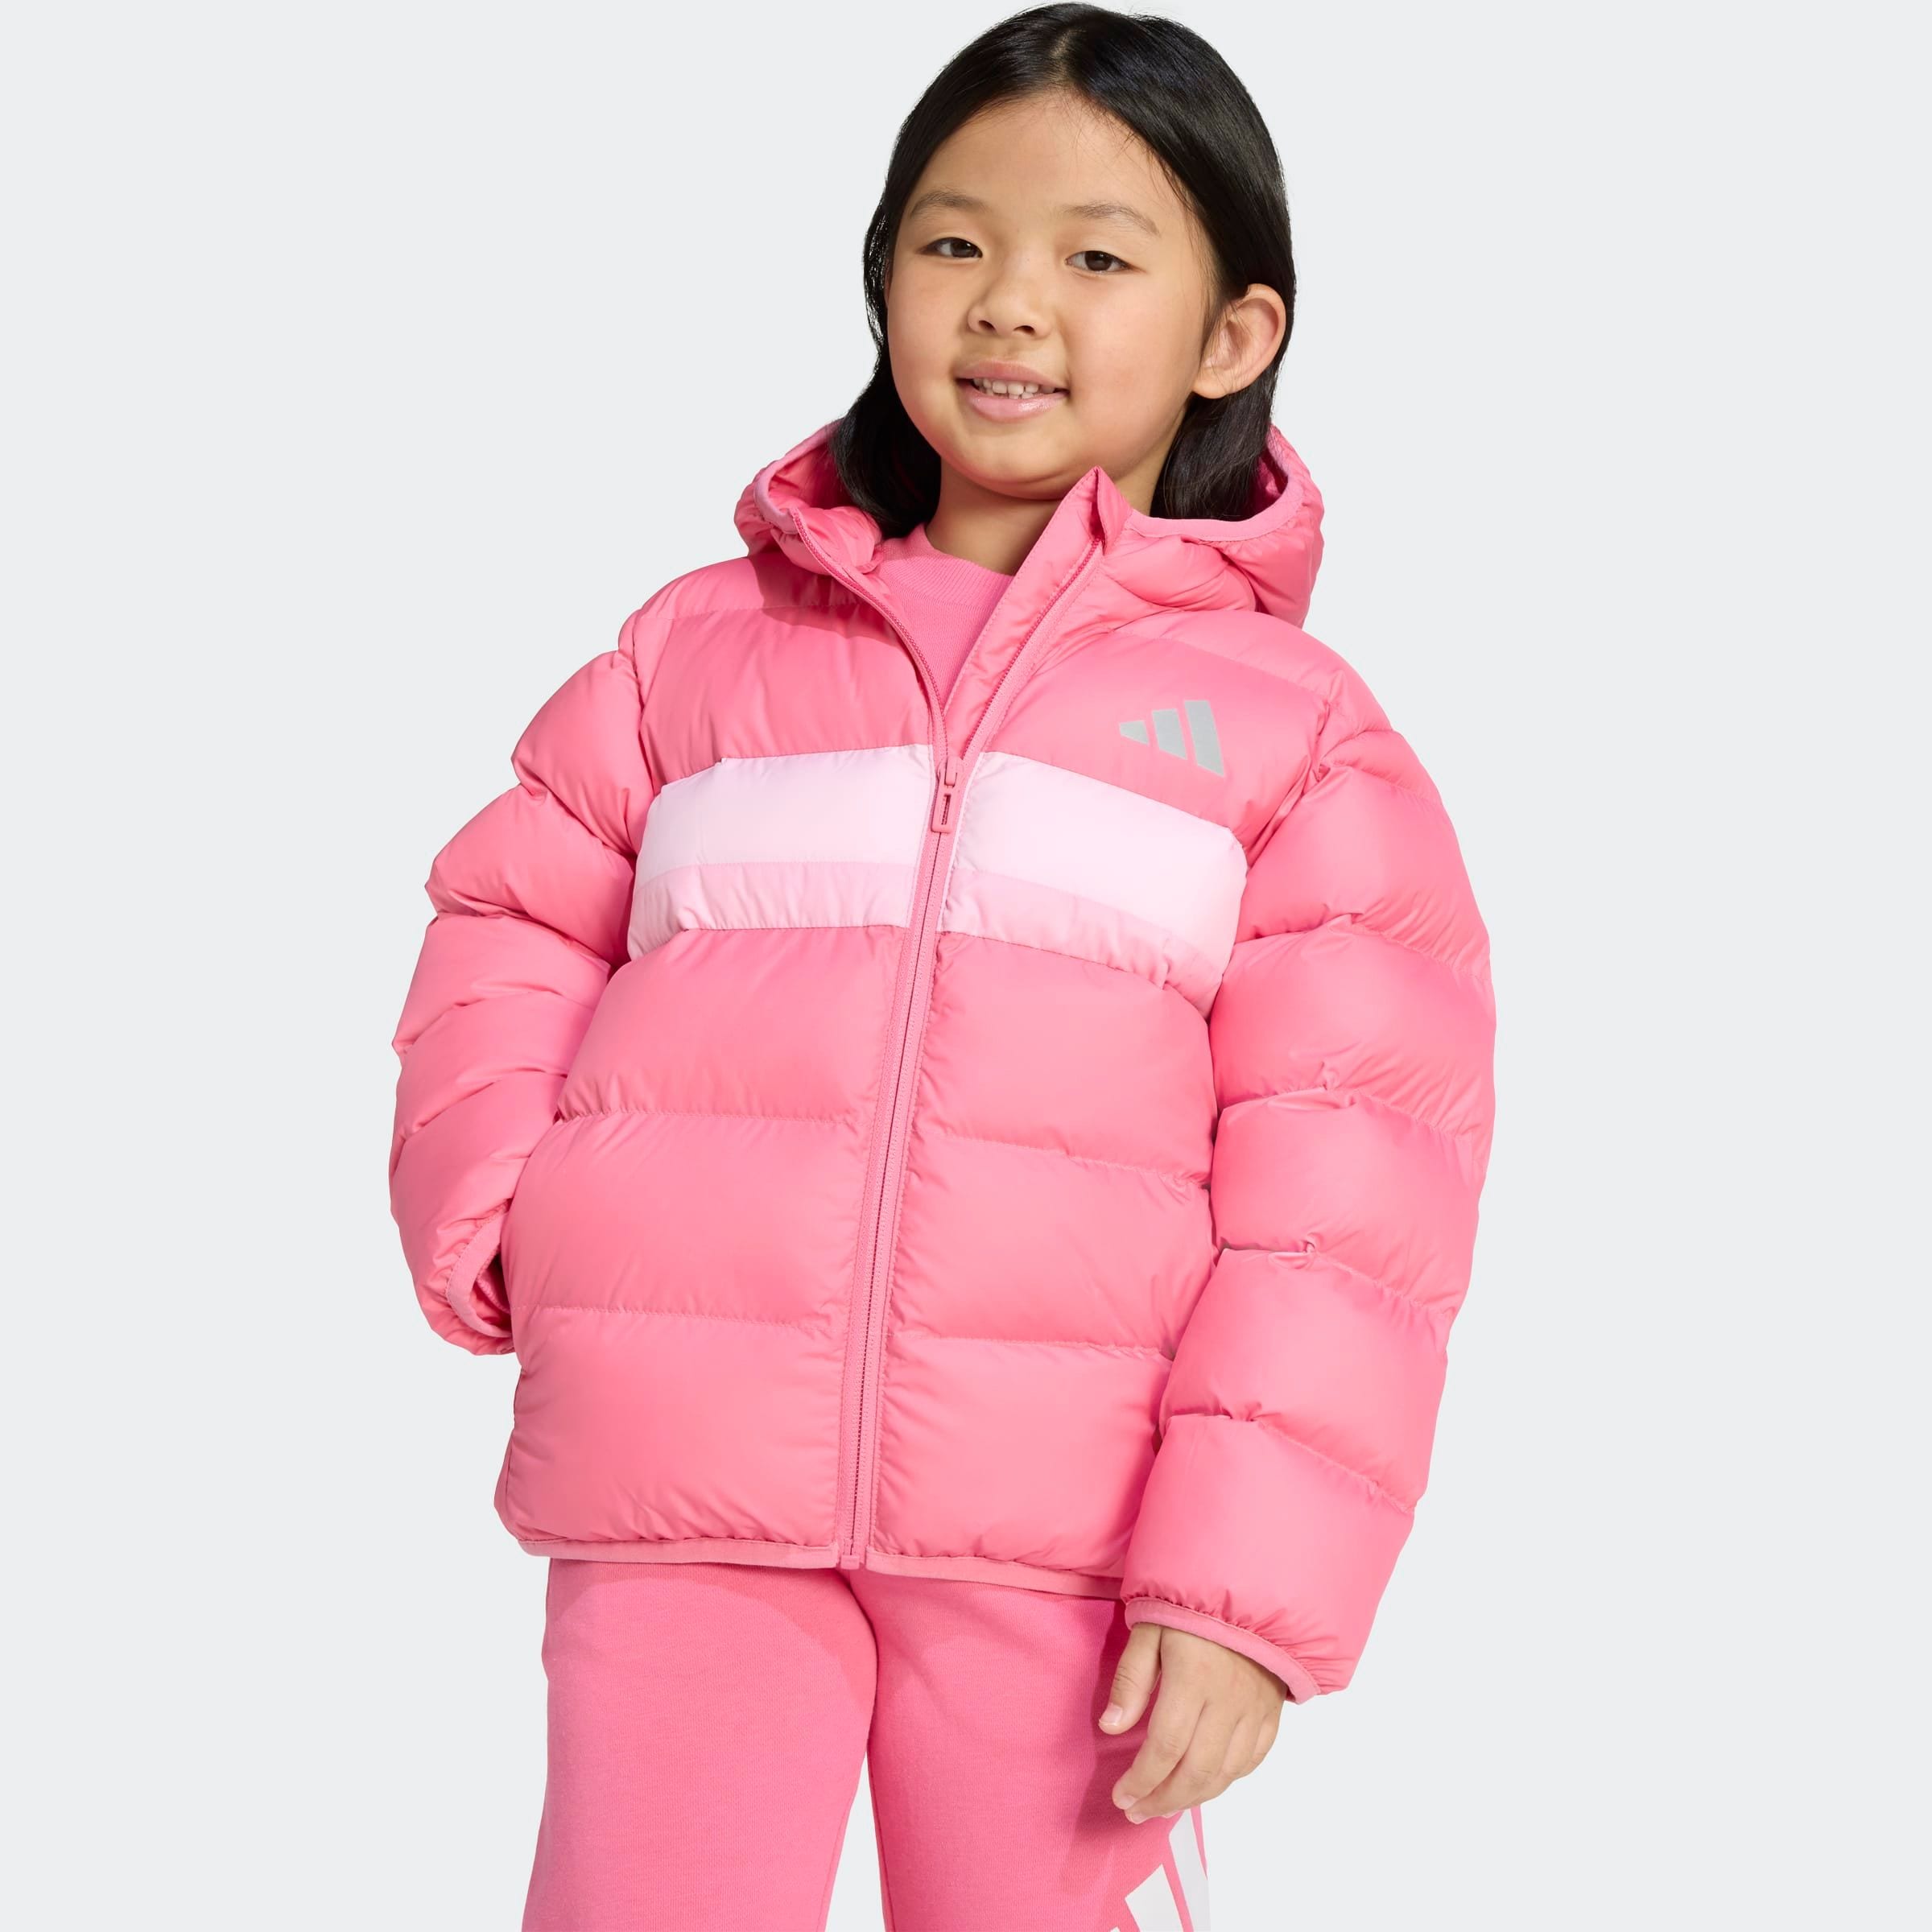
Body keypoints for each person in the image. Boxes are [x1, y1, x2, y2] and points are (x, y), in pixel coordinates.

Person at [386, 7, 1496, 1927]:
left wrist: (1243, 1586)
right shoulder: (698, 652)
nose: (1009, 303)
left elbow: (1352, 1193)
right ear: (883, 271)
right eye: (955, 241)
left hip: (1074, 1545)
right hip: (684, 1480)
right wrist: (504, 1212)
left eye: (1098, 258)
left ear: (1235, 335)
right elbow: (512, 919)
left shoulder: (1295, 738)